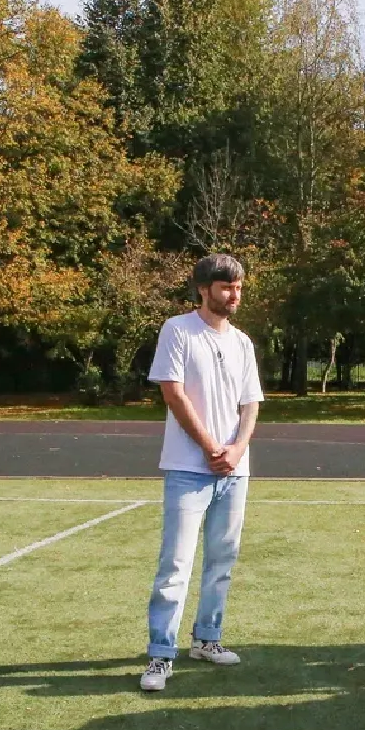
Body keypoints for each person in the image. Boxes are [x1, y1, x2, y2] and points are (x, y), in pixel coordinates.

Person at [139, 254, 264, 692]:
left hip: (235, 470)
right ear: (203, 288)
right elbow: (172, 393)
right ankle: (160, 654)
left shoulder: (243, 342)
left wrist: (236, 449)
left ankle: (207, 640)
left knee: (221, 562)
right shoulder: (177, 330)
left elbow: (251, 404)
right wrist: (212, 448)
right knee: (175, 565)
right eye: (227, 286)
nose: (234, 294)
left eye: (239, 287)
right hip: (188, 468)